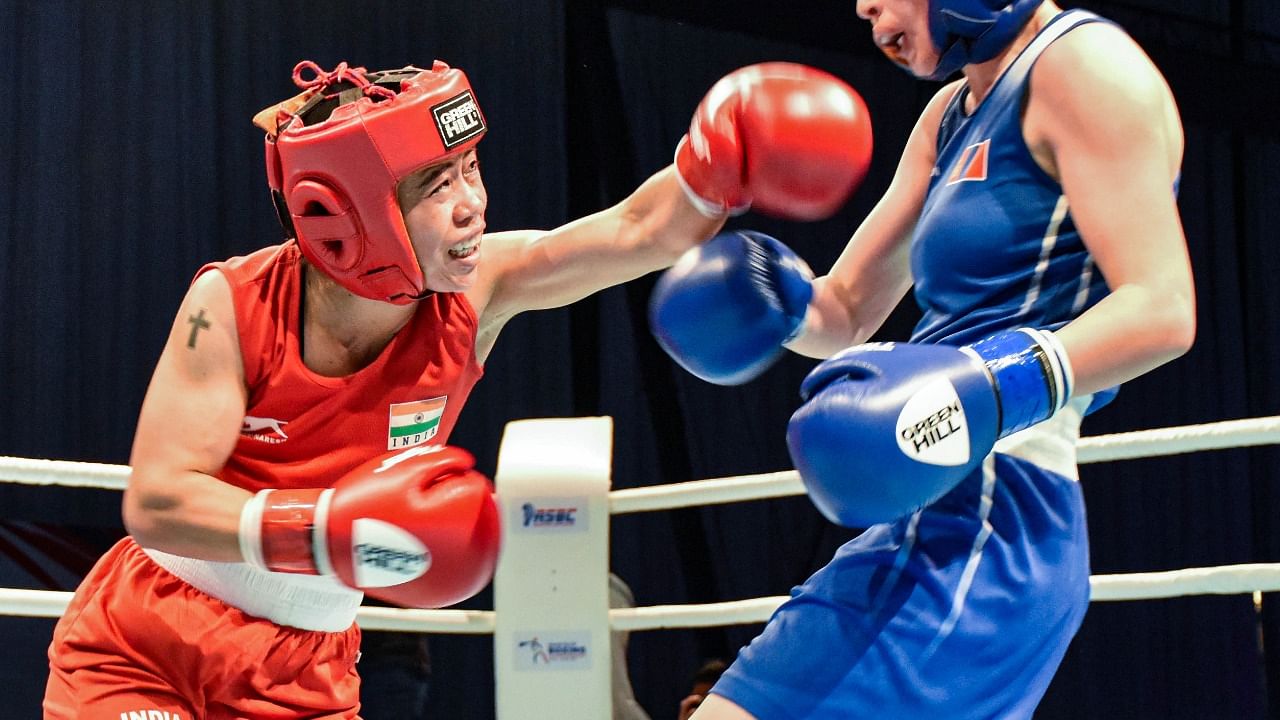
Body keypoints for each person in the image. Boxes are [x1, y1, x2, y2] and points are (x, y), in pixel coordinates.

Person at [41, 57, 872, 718]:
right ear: (349, 212)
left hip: (308, 666)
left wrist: (714, 163)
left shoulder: (479, 291)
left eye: (472, 169)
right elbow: (157, 500)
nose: (474, 205)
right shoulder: (231, 304)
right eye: (440, 186)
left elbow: (635, 230)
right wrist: (331, 530)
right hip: (149, 642)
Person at [650, 1, 1195, 717]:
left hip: (997, 524)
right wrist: (769, 297)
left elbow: (1163, 308)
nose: (862, 7)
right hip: (918, 505)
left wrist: (986, 386)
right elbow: (844, 308)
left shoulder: (1082, 66)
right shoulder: (949, 113)